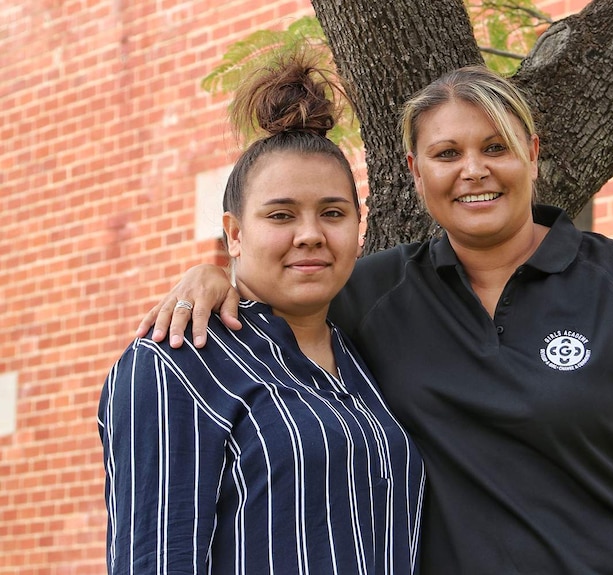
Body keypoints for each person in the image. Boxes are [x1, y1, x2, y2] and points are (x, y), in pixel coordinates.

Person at [138, 65, 613, 573]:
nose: (472, 170)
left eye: (495, 147)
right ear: (415, 171)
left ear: (531, 154)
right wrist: (215, 275)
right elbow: (283, 290)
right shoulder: (369, 292)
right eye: (447, 153)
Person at [98, 54, 425, 574]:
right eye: (280, 214)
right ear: (233, 233)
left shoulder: (367, 359)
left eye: (333, 213)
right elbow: (156, 559)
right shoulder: (177, 363)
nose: (311, 233)